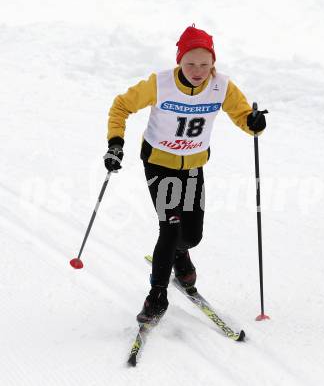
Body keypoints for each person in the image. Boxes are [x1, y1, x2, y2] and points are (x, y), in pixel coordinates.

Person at [104, 24, 267, 323]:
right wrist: (115, 144)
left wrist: (254, 122)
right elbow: (121, 106)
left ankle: (181, 254)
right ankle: (157, 296)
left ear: (213, 63)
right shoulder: (160, 84)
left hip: (193, 167)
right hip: (159, 164)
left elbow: (243, 116)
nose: (198, 70)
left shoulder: (222, 86)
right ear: (179, 60)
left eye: (205, 64)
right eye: (190, 63)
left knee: (191, 235)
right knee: (170, 226)